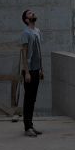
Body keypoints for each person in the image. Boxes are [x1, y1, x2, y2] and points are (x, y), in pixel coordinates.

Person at [19, 8, 43, 136]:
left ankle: (31, 125)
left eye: (32, 12)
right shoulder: (25, 33)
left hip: (36, 69)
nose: (33, 13)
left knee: (33, 99)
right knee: (28, 99)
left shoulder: (37, 31)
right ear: (26, 19)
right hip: (29, 71)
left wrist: (41, 69)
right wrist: (26, 72)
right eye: (29, 13)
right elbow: (24, 53)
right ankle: (27, 127)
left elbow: (39, 52)